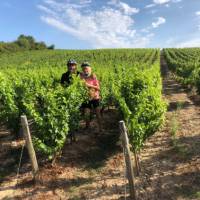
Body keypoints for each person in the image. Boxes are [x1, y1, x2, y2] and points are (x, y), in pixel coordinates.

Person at [80, 62, 102, 133]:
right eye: (83, 69)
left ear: (90, 69)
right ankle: (87, 127)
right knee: (86, 113)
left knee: (98, 113)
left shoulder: (93, 77)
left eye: (86, 68)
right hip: (86, 98)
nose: (85, 70)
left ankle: (100, 128)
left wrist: (89, 85)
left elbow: (98, 88)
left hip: (95, 98)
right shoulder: (81, 76)